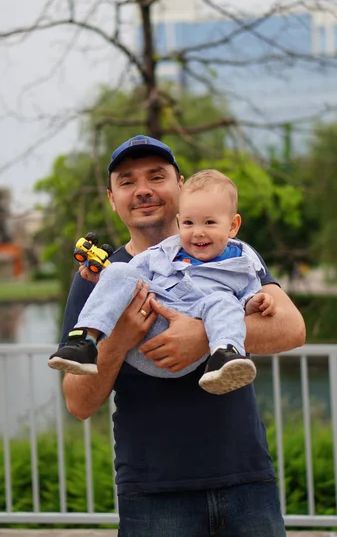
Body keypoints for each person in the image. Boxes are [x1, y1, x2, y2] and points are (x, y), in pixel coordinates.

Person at [60, 135, 306, 536]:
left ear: (180, 185)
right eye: (126, 182)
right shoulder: (100, 279)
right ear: (111, 198)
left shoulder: (231, 254)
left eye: (156, 177)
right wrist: (121, 339)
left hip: (246, 480)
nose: (142, 190)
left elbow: (293, 329)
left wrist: (204, 335)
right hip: (153, 493)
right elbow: (77, 402)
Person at [49, 170, 276, 396]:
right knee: (120, 270)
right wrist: (103, 280)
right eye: (188, 223)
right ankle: (85, 342)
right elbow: (126, 276)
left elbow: (256, 302)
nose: (198, 233)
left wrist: (252, 304)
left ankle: (224, 355)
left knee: (223, 300)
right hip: (152, 326)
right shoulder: (166, 250)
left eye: (209, 223)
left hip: (200, 332)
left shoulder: (243, 261)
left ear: (233, 226)